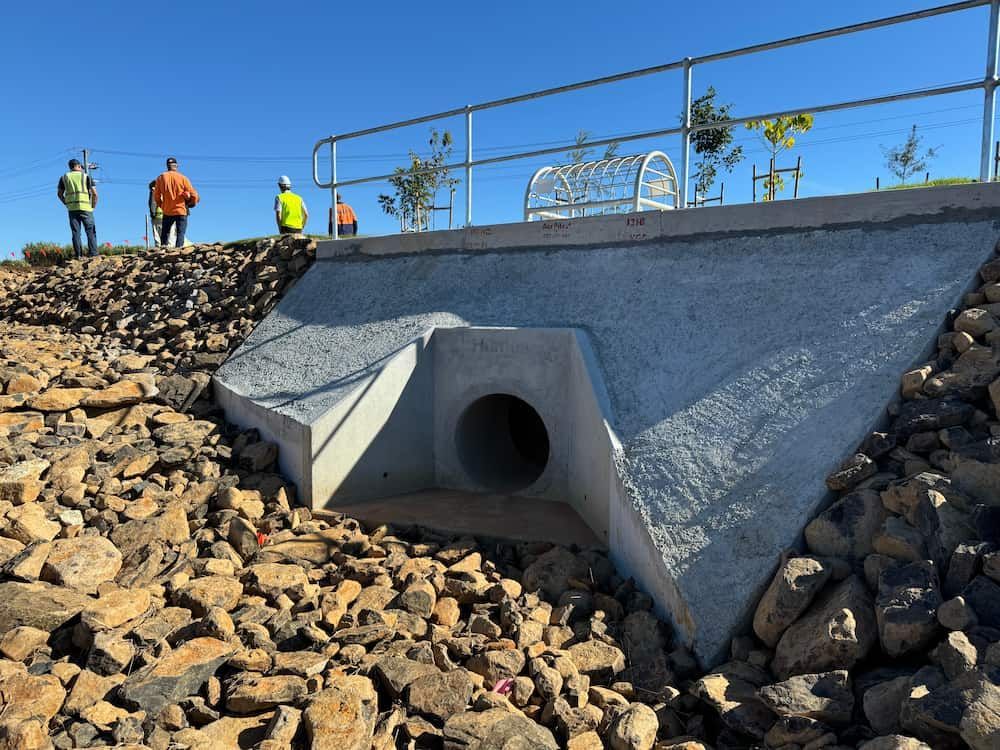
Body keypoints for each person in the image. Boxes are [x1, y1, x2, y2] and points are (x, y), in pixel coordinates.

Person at [57, 158, 98, 258]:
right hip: (86, 208)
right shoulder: (86, 177)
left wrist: (66, 203)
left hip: (72, 209)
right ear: (79, 166)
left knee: (76, 232)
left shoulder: (64, 178)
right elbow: (95, 194)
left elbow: (59, 194)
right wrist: (93, 206)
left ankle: (78, 255)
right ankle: (93, 254)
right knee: (90, 231)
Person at [153, 157, 199, 247]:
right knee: (180, 233)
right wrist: (192, 203)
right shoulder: (183, 178)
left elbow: (156, 196)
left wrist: (162, 205)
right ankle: (178, 252)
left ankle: (163, 251)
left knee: (165, 234)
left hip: (167, 211)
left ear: (167, 166)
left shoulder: (161, 178)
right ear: (176, 166)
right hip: (181, 210)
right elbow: (194, 194)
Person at [147, 179, 175, 248]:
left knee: (158, 237)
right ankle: (170, 248)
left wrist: (153, 214)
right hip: (169, 215)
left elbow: (152, 204)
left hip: (158, 216)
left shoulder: (154, 192)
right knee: (170, 235)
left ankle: (160, 249)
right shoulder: (167, 191)